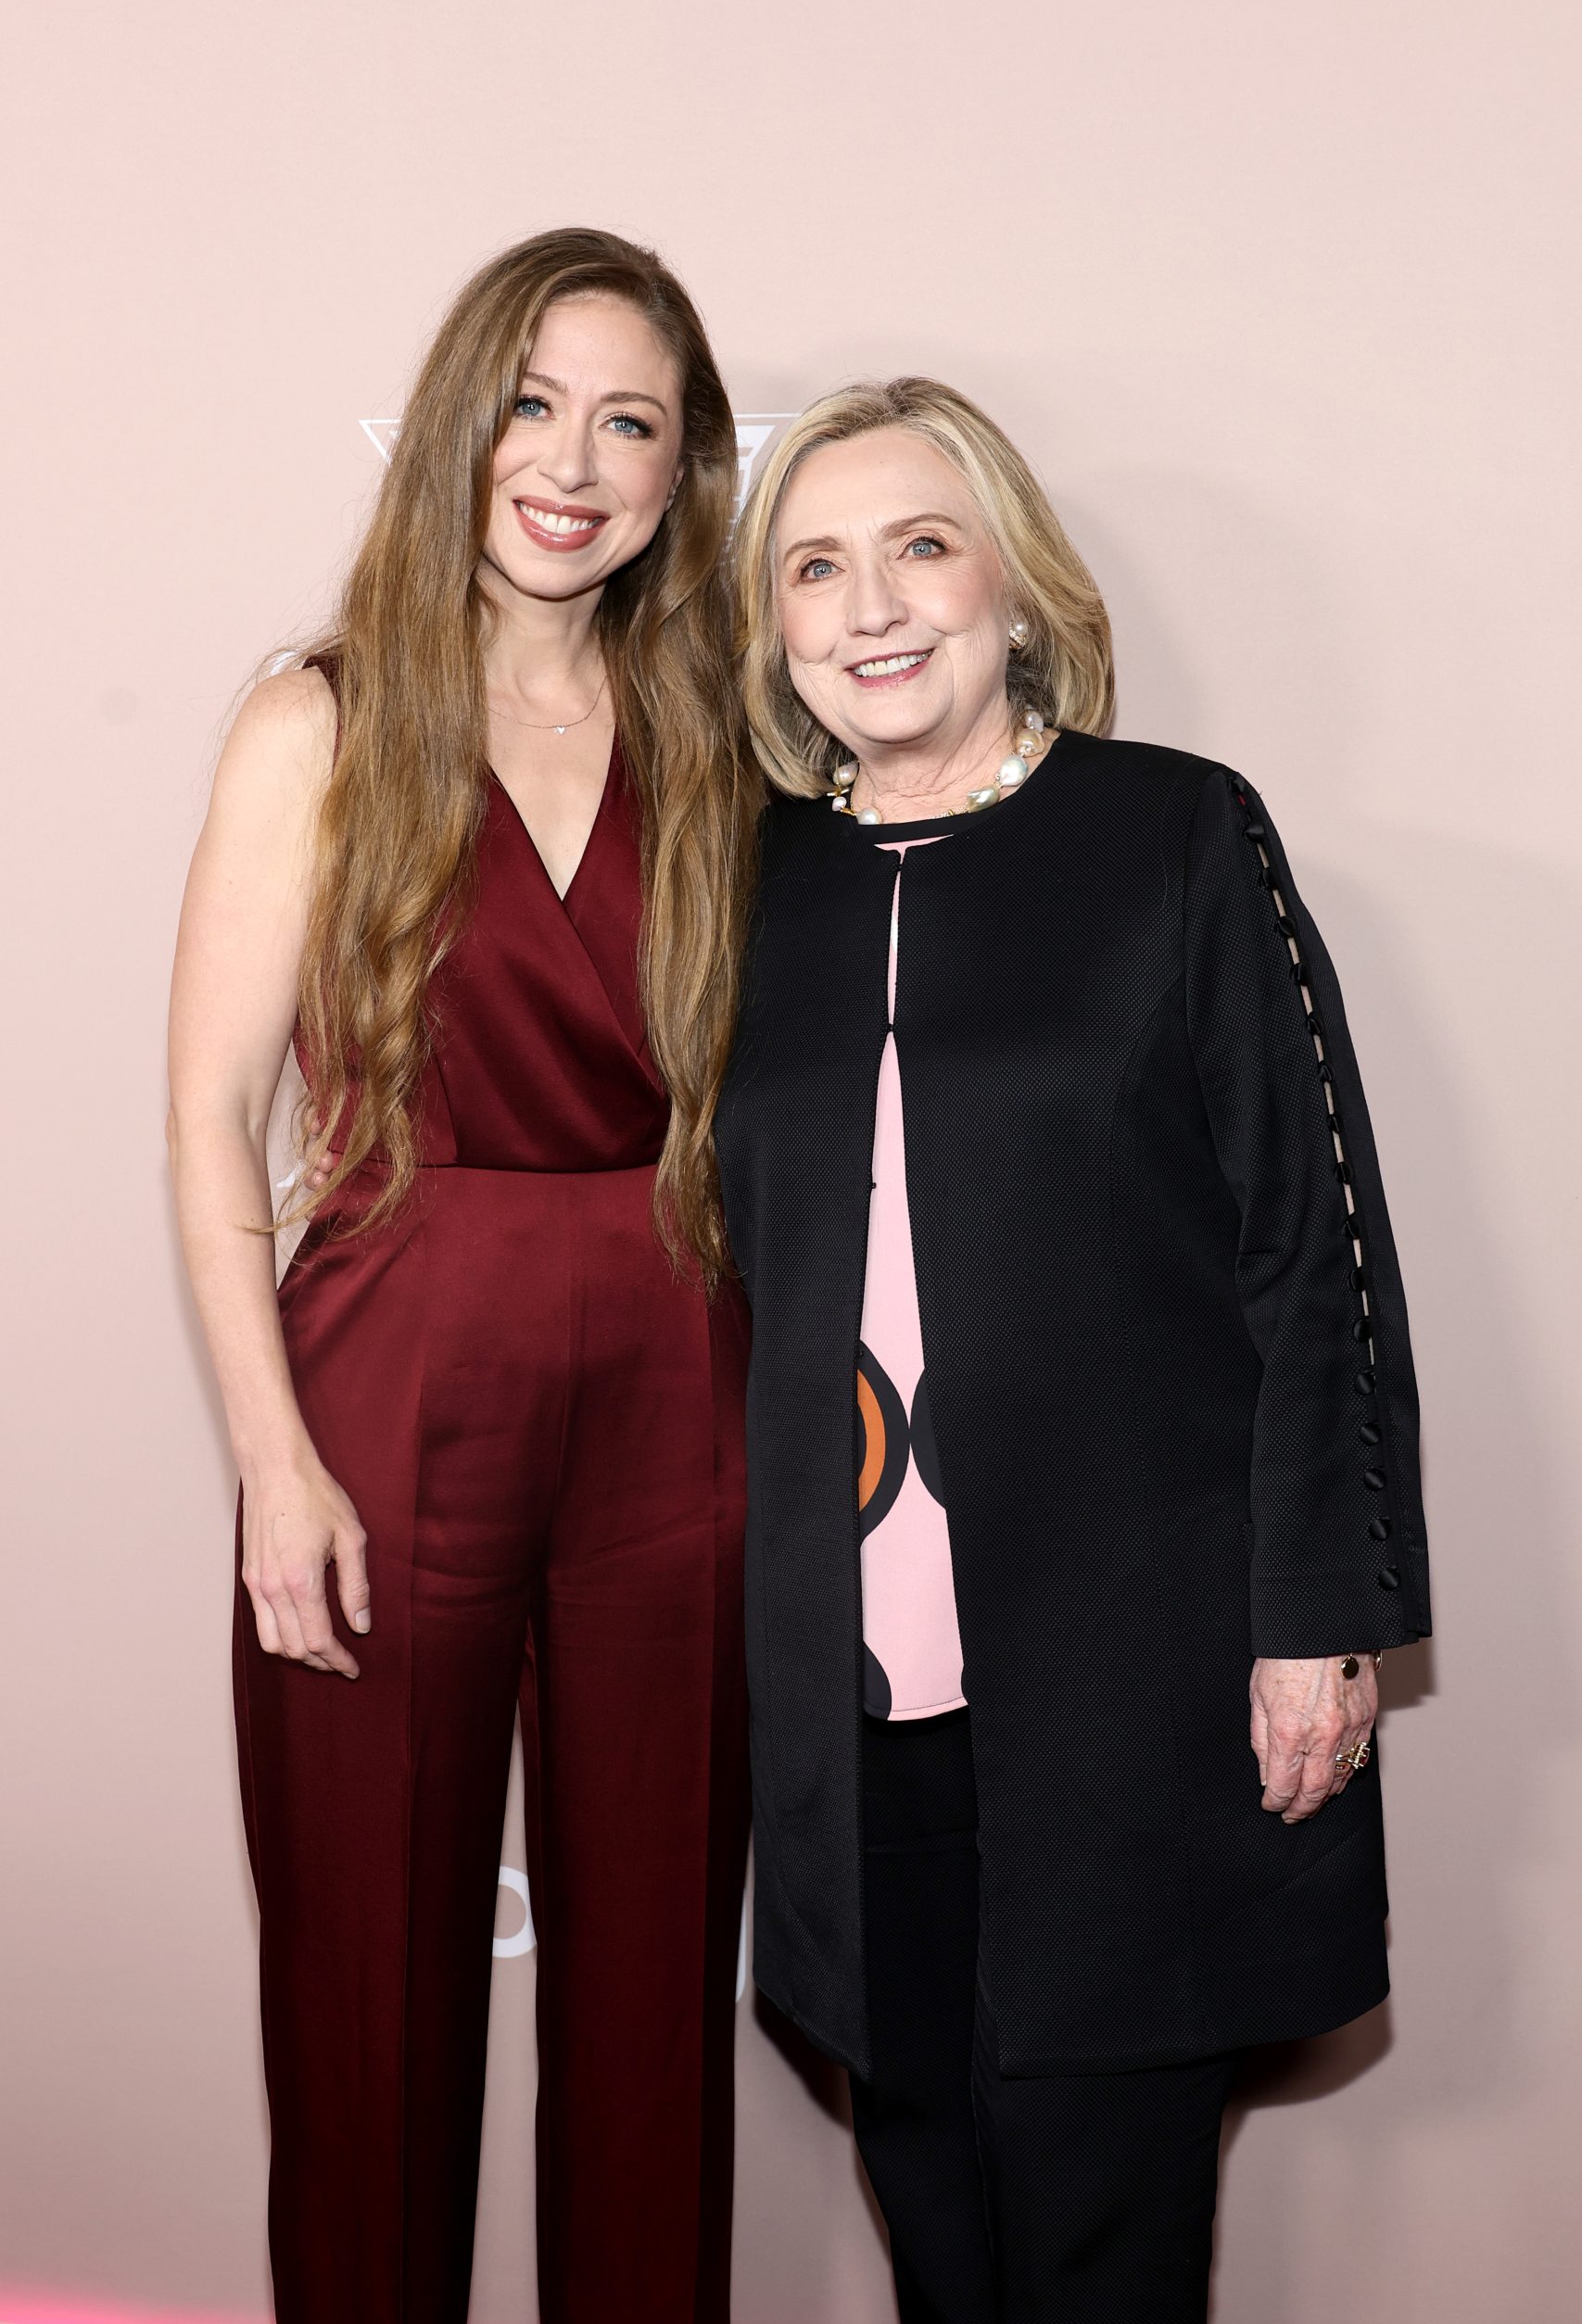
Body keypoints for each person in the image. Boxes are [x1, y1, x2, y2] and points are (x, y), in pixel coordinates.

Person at [715, 377, 1433, 2323]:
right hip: (853, 1703)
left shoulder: (1172, 833)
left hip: (1135, 1678)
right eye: (813, 567)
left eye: (919, 546)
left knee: (1103, 2247)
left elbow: (1311, 1247)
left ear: (1014, 585)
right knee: (938, 2231)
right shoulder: (744, 885)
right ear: (771, 629)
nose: (871, 606)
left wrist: (1320, 1614)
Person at [167, 229, 759, 2324]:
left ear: (681, 475)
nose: (571, 465)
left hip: (686, 1387)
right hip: (389, 1378)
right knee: (365, 1997)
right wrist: (271, 1459)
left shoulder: (729, 741)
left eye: (631, 424)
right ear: (457, 421)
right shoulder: (317, 719)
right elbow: (210, 1117)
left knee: (657, 2005)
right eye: (533, 403)